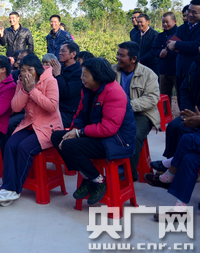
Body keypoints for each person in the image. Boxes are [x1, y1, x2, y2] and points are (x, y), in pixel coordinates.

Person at [51, 58, 136, 206]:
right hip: (98, 135)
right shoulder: (88, 89)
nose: (81, 78)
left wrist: (79, 133)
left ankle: (99, 180)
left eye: (85, 75)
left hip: (117, 140)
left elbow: (108, 128)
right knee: (57, 137)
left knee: (69, 145)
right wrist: (75, 129)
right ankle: (88, 176)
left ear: (97, 75)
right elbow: (80, 113)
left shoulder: (113, 92)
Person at [0, 54, 62, 206]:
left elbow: (52, 106)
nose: (26, 73)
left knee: (23, 147)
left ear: (37, 69)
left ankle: (15, 189)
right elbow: (15, 107)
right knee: (10, 144)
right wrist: (25, 90)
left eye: (30, 69)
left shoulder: (50, 81)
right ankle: (7, 187)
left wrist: (33, 90)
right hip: (29, 124)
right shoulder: (21, 83)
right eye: (23, 70)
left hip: (48, 128)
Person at [114, 41, 160, 181]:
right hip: (117, 112)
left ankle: (128, 173)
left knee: (133, 135)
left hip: (141, 114)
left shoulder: (148, 74)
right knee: (104, 132)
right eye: (118, 54)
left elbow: (151, 98)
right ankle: (112, 168)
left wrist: (127, 105)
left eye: (122, 55)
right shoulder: (112, 71)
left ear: (133, 59)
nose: (118, 58)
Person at [153, 54, 200, 171]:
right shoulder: (195, 64)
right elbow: (185, 90)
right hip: (193, 111)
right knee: (173, 126)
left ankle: (181, 168)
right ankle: (170, 165)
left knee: (184, 129)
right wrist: (189, 112)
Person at [168, 0, 200, 99]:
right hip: (180, 70)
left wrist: (178, 44)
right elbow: (170, 42)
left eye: (194, 12)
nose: (190, 15)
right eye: (189, 11)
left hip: (196, 71)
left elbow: (196, 46)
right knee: (181, 99)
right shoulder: (182, 28)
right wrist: (185, 46)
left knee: (195, 100)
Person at [49, 41, 83, 129]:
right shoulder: (60, 68)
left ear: (73, 54)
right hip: (54, 109)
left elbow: (66, 93)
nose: (60, 53)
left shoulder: (79, 73)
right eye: (60, 50)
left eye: (63, 51)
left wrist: (58, 76)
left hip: (68, 113)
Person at [152, 12, 179, 100]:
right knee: (164, 97)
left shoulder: (180, 34)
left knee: (180, 96)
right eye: (163, 22)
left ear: (175, 21)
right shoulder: (160, 36)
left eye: (167, 22)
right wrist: (159, 53)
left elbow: (182, 51)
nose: (165, 24)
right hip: (163, 71)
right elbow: (154, 50)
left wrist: (168, 53)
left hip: (176, 71)